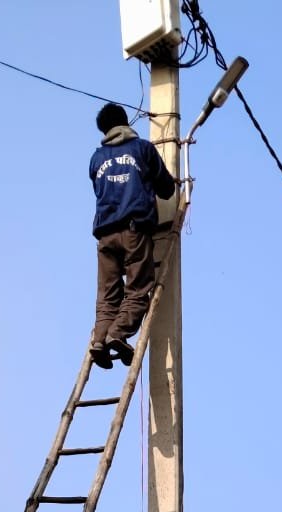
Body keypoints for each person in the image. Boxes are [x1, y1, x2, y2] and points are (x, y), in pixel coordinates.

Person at [88, 102, 176, 370]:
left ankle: (100, 340)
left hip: (105, 236)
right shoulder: (143, 149)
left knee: (108, 298)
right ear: (126, 122)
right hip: (134, 231)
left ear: (104, 130)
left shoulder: (96, 159)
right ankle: (117, 334)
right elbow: (167, 189)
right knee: (137, 290)